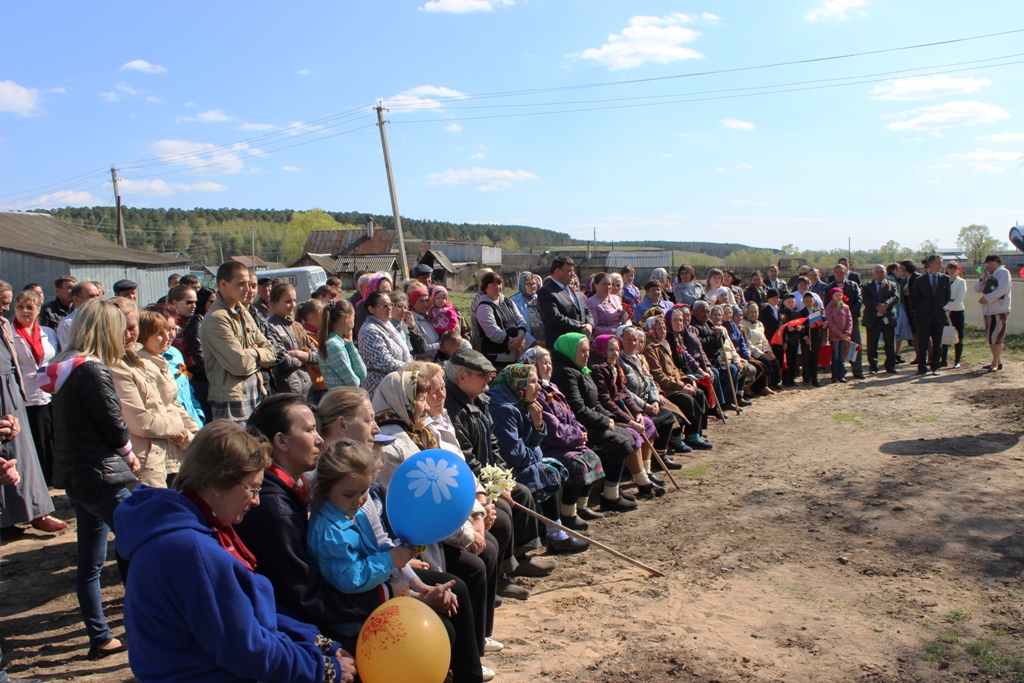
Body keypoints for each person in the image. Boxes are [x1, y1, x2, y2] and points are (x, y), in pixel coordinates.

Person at [114, 421, 355, 683]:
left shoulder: (197, 528)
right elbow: (247, 651)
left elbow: (249, 609)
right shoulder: (192, 551)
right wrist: (322, 669)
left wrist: (314, 641)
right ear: (218, 484)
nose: (256, 500)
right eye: (252, 488)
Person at [46, 299, 139, 660]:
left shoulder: (65, 367)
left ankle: (100, 636)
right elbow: (114, 426)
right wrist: (129, 454)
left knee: (90, 562)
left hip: (79, 477)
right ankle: (143, 624)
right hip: (102, 476)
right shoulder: (93, 370)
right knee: (139, 542)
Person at [443, 348, 551, 600]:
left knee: (520, 491)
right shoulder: (453, 410)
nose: (489, 379)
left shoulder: (480, 401)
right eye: (482, 374)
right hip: (469, 483)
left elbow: (493, 446)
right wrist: (492, 487)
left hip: (486, 477)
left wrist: (503, 481)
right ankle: (501, 575)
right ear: (462, 377)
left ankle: (521, 557)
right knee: (501, 509)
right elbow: (466, 458)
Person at [489, 363, 592, 549]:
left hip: (521, 461)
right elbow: (515, 455)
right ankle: (555, 535)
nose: (538, 387)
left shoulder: (522, 403)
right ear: (518, 384)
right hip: (503, 469)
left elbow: (528, 445)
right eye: (532, 382)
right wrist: (536, 449)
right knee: (545, 470)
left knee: (549, 468)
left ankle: (552, 530)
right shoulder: (502, 408)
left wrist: (538, 426)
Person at [548, 334, 641, 512]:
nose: (586, 355)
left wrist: (610, 418)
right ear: (570, 350)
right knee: (620, 442)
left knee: (628, 436)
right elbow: (578, 409)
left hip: (591, 422)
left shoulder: (582, 370)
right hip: (578, 427)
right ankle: (606, 498)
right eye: (582, 351)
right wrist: (605, 422)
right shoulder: (565, 372)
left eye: (588, 351)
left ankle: (612, 492)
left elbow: (595, 402)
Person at [109, 303, 195, 489]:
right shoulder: (122, 366)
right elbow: (143, 421)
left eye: (173, 329)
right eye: (160, 333)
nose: (169, 336)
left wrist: (194, 424)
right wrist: (181, 430)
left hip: (172, 445)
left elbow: (180, 393)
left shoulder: (169, 357)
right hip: (152, 453)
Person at [0, 283, 62, 533]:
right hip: (10, 396)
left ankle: (35, 508)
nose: (5, 308)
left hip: (21, 394)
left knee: (28, 453)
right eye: (10, 304)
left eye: (6, 303)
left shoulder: (6, 326)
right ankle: (10, 516)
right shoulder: (10, 328)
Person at [521, 347, 606, 525]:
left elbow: (570, 414)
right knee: (577, 465)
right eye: (544, 363)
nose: (549, 367)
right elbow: (552, 428)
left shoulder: (552, 388)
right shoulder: (536, 394)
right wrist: (577, 436)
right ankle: (568, 513)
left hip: (568, 441)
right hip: (551, 445)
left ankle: (582, 506)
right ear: (533, 365)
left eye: (550, 363)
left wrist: (581, 430)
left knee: (592, 457)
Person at [586, 336, 665, 497]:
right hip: (610, 415)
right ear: (602, 350)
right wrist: (629, 420)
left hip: (622, 411)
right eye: (611, 350)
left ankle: (646, 470)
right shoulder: (596, 370)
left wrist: (637, 412)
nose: (615, 354)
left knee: (648, 423)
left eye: (617, 349)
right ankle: (643, 482)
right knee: (633, 433)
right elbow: (605, 401)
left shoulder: (614, 367)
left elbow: (624, 393)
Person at [201, 261, 278, 422]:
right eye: (241, 284)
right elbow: (240, 364)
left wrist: (254, 352)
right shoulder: (217, 318)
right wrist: (260, 357)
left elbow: (272, 352)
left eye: (249, 284)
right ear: (223, 284)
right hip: (232, 402)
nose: (248, 289)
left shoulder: (242, 311)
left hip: (255, 394)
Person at [11, 290, 59, 486]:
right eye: (20, 307)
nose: (25, 311)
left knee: (50, 436)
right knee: (33, 438)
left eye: (30, 307)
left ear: (38, 309)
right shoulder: (9, 333)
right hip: (24, 394)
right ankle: (37, 481)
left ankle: (53, 479)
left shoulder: (48, 333)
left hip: (48, 392)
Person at [147, 303, 205, 430]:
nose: (171, 335)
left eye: (174, 329)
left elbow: (188, 384)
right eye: (165, 330)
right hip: (174, 429)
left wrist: (199, 414)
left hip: (194, 425)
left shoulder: (176, 354)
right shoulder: (146, 361)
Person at [266, 283, 317, 399]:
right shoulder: (270, 327)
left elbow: (317, 357)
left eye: (294, 300)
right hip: (286, 389)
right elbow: (286, 362)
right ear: (275, 303)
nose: (293, 305)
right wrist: (306, 358)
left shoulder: (298, 326)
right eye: (288, 301)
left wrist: (298, 354)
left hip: (307, 388)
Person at [358, 292, 410, 398]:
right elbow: (384, 362)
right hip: (378, 388)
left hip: (395, 385)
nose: (389, 308)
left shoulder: (389, 327)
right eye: (384, 306)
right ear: (371, 309)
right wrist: (412, 367)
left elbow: (404, 353)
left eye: (390, 304)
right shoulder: (369, 330)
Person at [474, 272, 527, 370]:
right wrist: (516, 345)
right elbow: (494, 333)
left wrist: (520, 337)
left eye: (499, 283)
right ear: (485, 288)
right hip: (497, 360)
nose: (497, 287)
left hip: (516, 358)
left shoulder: (508, 302)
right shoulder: (484, 307)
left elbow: (521, 320)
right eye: (493, 284)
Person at [910, 254, 952, 376]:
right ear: (932, 264)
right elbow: (915, 299)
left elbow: (947, 297)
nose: (941, 265)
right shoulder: (920, 280)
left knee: (937, 343)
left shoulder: (945, 279)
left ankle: (935, 366)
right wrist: (924, 309)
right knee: (923, 343)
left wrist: (938, 308)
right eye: (939, 263)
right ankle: (922, 367)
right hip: (924, 317)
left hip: (938, 316)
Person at [537, 256, 594, 343]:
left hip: (581, 342)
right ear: (558, 271)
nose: (573, 274)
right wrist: (581, 327)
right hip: (561, 344)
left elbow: (586, 310)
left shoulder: (574, 289)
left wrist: (590, 324)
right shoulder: (546, 292)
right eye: (569, 271)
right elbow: (555, 318)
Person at [974, 253, 1011, 372]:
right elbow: (977, 289)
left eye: (992, 261)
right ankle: (997, 361)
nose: (990, 264)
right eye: (988, 262)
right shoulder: (988, 274)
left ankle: (994, 363)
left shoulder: (1003, 272)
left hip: (1000, 309)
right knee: (990, 337)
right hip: (987, 310)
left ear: (998, 262)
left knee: (997, 336)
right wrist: (983, 276)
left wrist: (987, 298)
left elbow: (1002, 289)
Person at [319, 299, 366, 390]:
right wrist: (357, 377)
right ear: (346, 318)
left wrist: (350, 345)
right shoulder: (333, 345)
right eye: (353, 318)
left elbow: (363, 373)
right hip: (341, 397)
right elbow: (354, 383)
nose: (354, 322)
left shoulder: (340, 342)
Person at [184, 286, 215, 419]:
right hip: (201, 378)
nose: (215, 304)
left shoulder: (213, 318)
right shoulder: (198, 319)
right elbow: (197, 348)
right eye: (211, 302)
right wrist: (208, 370)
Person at [862, 265, 899, 374]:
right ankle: (873, 367)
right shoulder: (867, 286)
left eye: (881, 272)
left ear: (885, 273)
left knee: (890, 343)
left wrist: (886, 305)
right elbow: (865, 299)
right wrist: (877, 306)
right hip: (873, 319)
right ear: (873, 273)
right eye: (877, 272)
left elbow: (895, 297)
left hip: (888, 318)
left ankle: (890, 366)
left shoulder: (892, 285)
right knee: (872, 344)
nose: (879, 274)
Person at [831, 264, 865, 380]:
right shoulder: (829, 287)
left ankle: (857, 370)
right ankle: (839, 373)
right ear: (834, 273)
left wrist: (848, 313)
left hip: (852, 321)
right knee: (838, 350)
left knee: (855, 345)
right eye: (837, 272)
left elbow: (859, 301)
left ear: (846, 273)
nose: (839, 274)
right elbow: (828, 304)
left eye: (842, 272)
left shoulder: (853, 285)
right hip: (836, 325)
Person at [741, 301, 781, 392]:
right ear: (747, 312)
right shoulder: (744, 324)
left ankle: (774, 383)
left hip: (762, 349)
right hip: (753, 351)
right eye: (751, 312)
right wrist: (761, 354)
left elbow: (764, 340)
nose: (753, 314)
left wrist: (769, 351)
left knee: (774, 360)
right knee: (765, 362)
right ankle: (763, 387)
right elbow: (748, 343)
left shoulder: (759, 324)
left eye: (755, 312)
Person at [55, 280, 103, 350]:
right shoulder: (68, 324)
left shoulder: (105, 317)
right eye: (91, 296)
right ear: (76, 299)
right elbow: (69, 352)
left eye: (97, 295)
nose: (96, 299)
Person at [583, 272, 626, 337]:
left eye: (609, 284)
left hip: (623, 333)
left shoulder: (616, 298)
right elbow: (594, 328)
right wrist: (615, 331)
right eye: (605, 284)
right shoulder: (591, 302)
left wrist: (628, 327)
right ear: (595, 285)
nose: (608, 287)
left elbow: (626, 318)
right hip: (606, 337)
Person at [941, 261, 967, 369]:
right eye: (950, 269)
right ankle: (943, 359)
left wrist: (950, 308)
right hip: (945, 309)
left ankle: (957, 360)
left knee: (958, 334)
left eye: (954, 269)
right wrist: (945, 308)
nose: (951, 271)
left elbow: (960, 298)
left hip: (957, 310)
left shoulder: (961, 282)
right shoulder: (943, 280)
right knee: (944, 333)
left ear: (957, 270)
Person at [824, 288, 853, 384]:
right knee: (835, 356)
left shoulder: (846, 307)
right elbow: (829, 322)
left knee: (842, 356)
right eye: (836, 295)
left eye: (840, 295)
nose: (838, 297)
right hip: (835, 336)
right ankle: (835, 376)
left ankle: (842, 375)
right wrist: (839, 333)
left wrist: (847, 332)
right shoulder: (829, 307)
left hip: (844, 336)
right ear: (832, 297)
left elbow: (849, 320)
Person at [510, 272, 545, 348]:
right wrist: (533, 342)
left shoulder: (540, 299)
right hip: (527, 343)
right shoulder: (514, 300)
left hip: (544, 341)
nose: (532, 286)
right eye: (528, 284)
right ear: (522, 285)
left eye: (534, 283)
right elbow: (517, 323)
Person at [353, 273, 394, 338]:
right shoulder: (364, 313)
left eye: (389, 293)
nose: (387, 296)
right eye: (383, 293)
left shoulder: (389, 307)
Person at [779, 293, 804, 387]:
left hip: (795, 339)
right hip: (787, 340)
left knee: (794, 360)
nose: (791, 304)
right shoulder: (782, 313)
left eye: (792, 302)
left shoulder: (797, 313)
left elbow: (802, 325)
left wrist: (800, 328)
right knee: (787, 360)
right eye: (789, 302)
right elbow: (781, 327)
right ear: (784, 302)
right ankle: (786, 380)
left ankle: (792, 379)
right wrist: (787, 329)